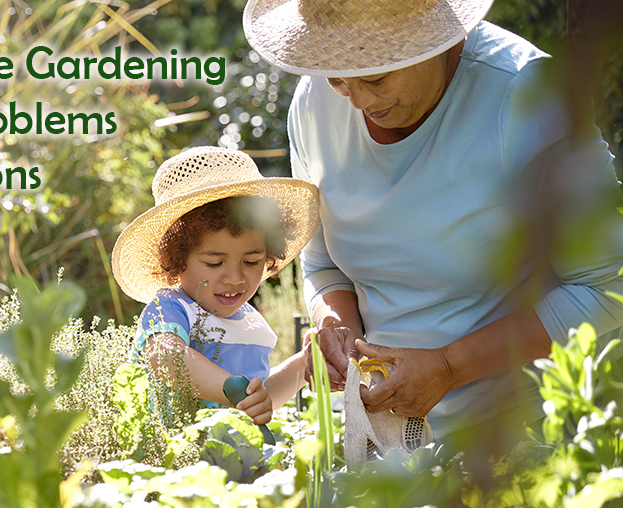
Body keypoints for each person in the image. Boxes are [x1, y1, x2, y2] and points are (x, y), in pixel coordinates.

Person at [243, 0, 623, 442]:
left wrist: (449, 366)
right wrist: (335, 325)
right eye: (339, 78)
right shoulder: (313, 102)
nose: (358, 100)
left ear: (433, 39)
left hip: (522, 433)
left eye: (375, 77)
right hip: (383, 439)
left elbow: (608, 285)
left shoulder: (524, 93)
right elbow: (322, 263)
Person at [111, 146, 320, 425]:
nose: (234, 278)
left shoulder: (251, 323)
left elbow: (259, 400)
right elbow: (166, 358)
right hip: (180, 459)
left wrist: (305, 363)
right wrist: (230, 389)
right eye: (213, 263)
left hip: (237, 460)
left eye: (251, 262)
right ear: (176, 258)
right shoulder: (171, 309)